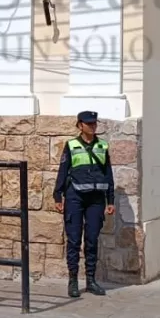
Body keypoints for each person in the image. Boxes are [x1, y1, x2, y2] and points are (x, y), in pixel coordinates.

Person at [53, 110, 116, 298]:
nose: (92, 127)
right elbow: (63, 171)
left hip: (96, 199)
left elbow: (108, 174)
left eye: (94, 124)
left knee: (91, 240)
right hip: (74, 197)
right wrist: (58, 196)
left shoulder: (102, 145)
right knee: (73, 240)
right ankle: (73, 281)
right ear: (80, 125)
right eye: (89, 124)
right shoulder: (71, 145)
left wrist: (110, 200)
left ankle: (91, 280)